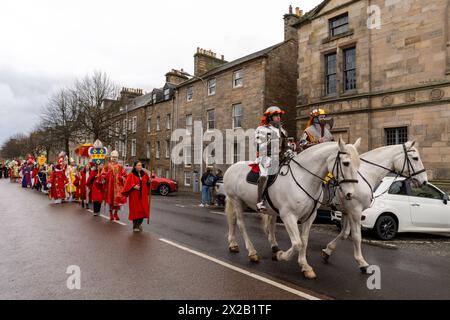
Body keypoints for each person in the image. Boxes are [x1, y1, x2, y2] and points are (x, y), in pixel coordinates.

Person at [254, 106, 290, 212]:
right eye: (275, 116)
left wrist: (288, 150)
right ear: (270, 117)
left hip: (280, 157)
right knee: (264, 175)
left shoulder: (282, 130)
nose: (278, 117)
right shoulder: (261, 129)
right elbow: (258, 146)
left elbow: (285, 145)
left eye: (279, 115)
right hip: (266, 156)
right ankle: (259, 201)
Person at [121, 161, 151, 232]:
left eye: (140, 165)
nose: (140, 167)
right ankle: (135, 226)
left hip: (143, 195)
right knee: (135, 211)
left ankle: (139, 224)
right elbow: (127, 184)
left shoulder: (145, 174)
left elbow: (147, 183)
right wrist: (134, 186)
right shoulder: (131, 174)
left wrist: (149, 182)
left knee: (143, 210)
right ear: (135, 166)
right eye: (138, 165)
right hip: (134, 195)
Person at [103, 150, 127, 221]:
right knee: (110, 200)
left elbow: (124, 175)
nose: (114, 158)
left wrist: (122, 177)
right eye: (113, 157)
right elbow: (103, 173)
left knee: (118, 200)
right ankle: (111, 213)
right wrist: (104, 176)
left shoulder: (120, 166)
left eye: (116, 157)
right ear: (111, 157)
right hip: (110, 186)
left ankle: (116, 213)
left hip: (118, 186)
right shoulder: (108, 165)